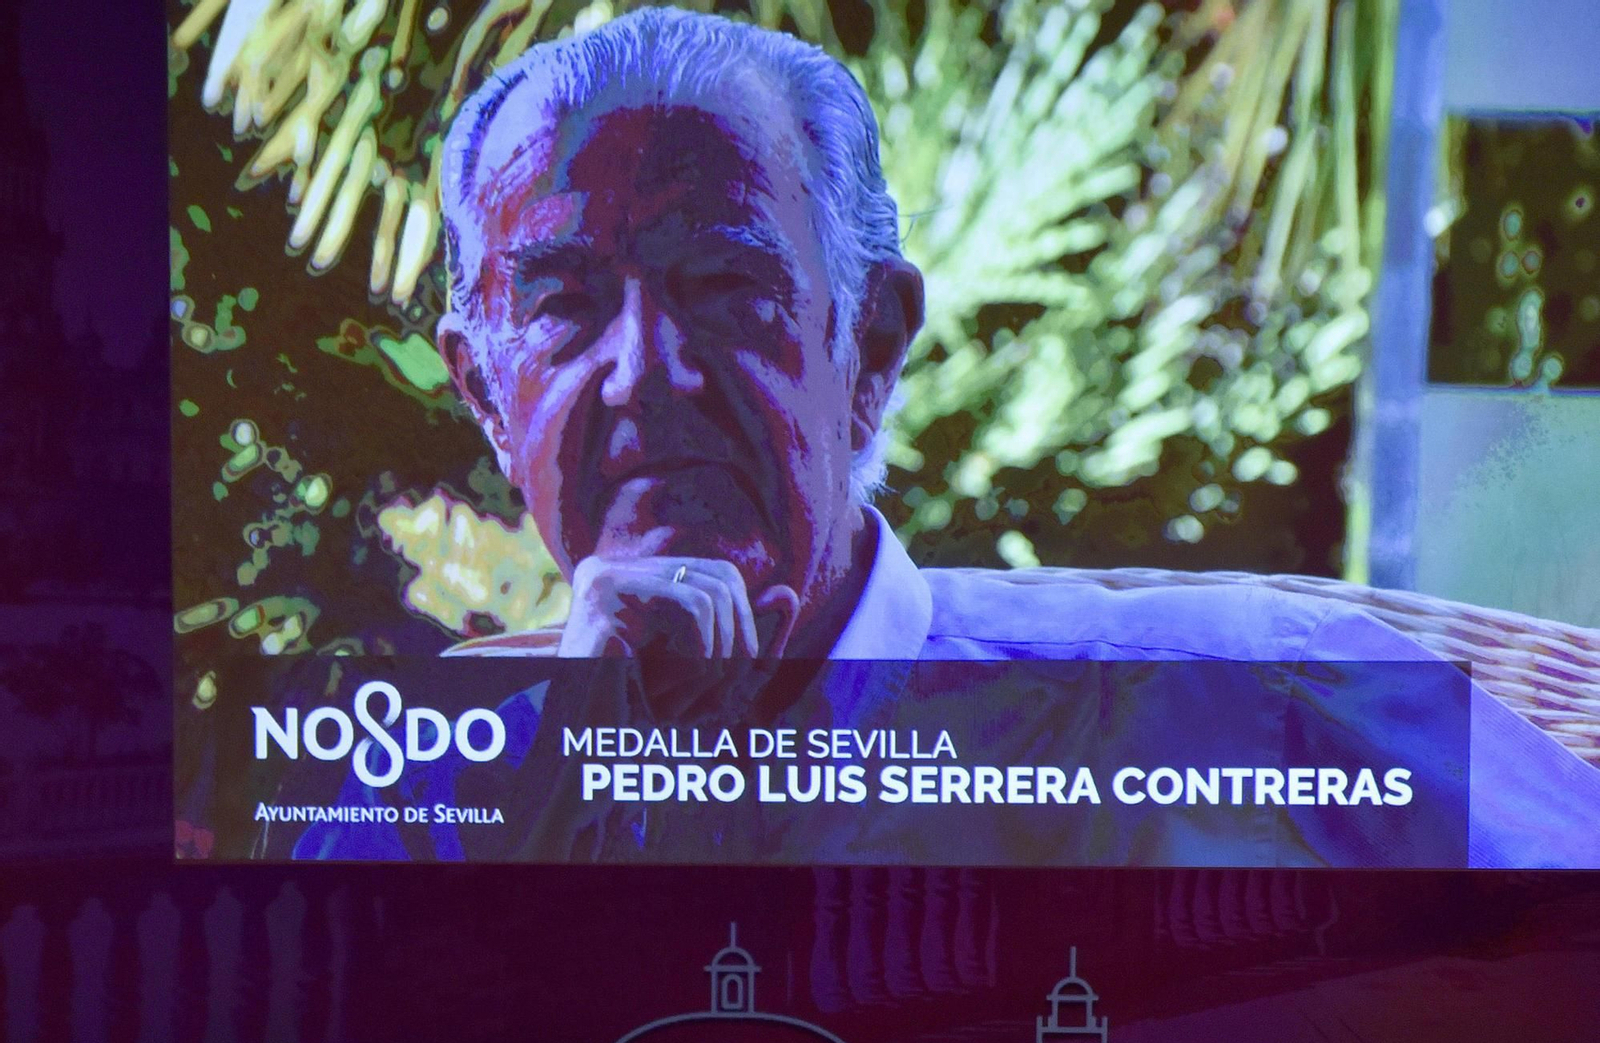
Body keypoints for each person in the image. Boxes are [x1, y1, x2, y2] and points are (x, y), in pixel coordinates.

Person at [299, 6, 1600, 871]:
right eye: (566, 305)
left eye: (725, 291)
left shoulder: (1258, 692)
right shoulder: (411, 804)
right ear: (482, 390)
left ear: (869, 347)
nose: (646, 373)